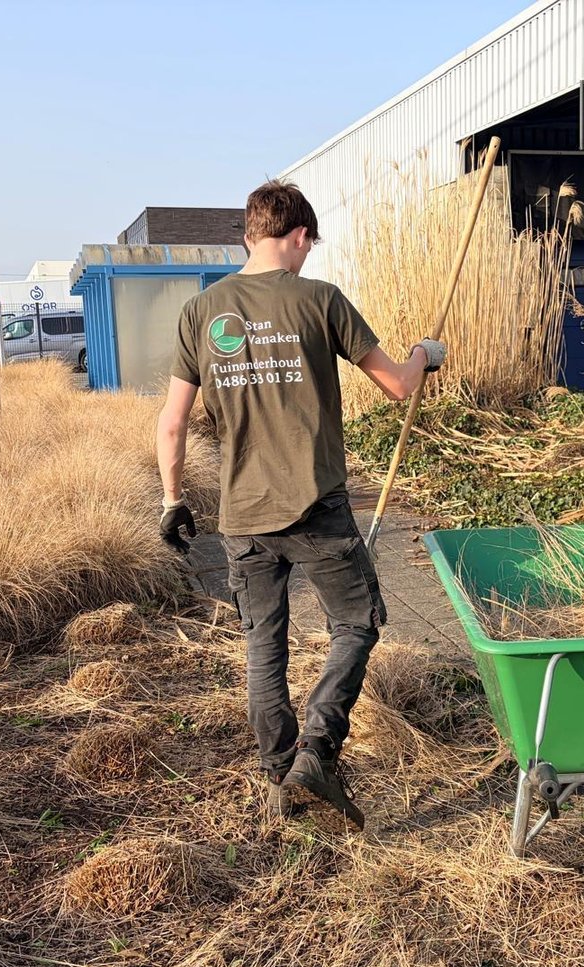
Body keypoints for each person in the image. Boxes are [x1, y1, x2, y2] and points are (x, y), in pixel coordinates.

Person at [155, 180, 444, 829]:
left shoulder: (201, 312)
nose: (308, 254)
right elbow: (399, 385)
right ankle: (316, 752)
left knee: (263, 644)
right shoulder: (320, 300)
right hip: (315, 507)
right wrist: (426, 354)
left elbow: (171, 424)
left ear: (248, 236)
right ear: (298, 236)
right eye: (308, 244)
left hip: (242, 516)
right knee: (357, 623)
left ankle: (278, 775)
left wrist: (172, 501)